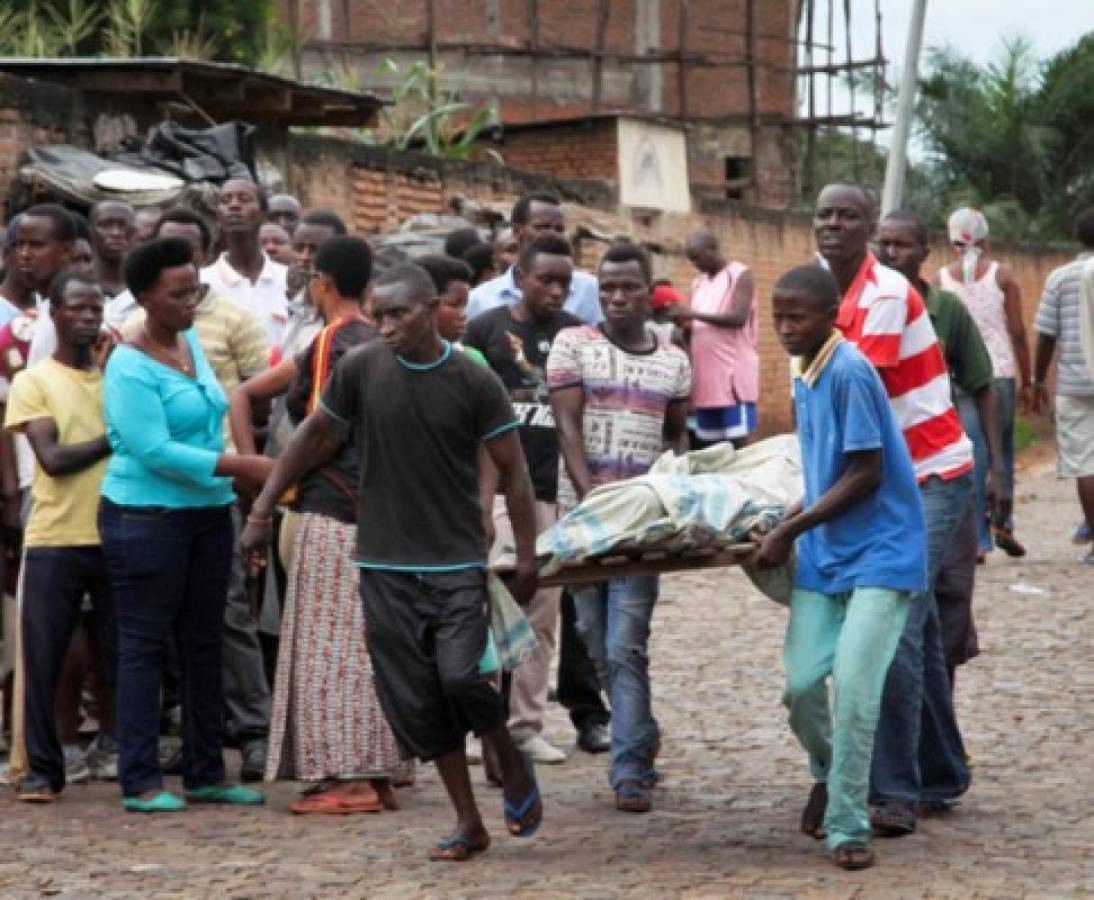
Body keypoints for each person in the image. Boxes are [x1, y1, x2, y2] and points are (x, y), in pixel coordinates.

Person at [242, 262, 543, 861]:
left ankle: (507, 752)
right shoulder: (361, 369)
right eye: (377, 314)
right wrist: (263, 507)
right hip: (381, 563)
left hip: (455, 559)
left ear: (431, 309)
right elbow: (314, 437)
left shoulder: (472, 378)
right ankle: (468, 823)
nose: (384, 326)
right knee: (417, 700)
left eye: (398, 314)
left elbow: (514, 471)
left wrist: (528, 553)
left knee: (461, 676)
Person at [814, 183, 974, 838]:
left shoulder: (879, 295)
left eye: (849, 216)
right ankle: (940, 773)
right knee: (923, 631)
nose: (834, 225)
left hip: (930, 474)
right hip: (889, 475)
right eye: (824, 214)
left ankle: (894, 790)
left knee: (892, 628)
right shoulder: (823, 293)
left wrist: (807, 505)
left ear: (870, 231)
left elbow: (860, 406)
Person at [757, 264, 926, 871]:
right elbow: (820, 467)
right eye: (778, 315)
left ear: (832, 315)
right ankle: (830, 773)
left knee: (855, 692)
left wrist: (789, 531)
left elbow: (865, 472)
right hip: (826, 555)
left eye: (796, 316)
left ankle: (848, 825)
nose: (785, 327)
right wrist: (786, 515)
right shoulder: (804, 371)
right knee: (801, 687)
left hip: (882, 552)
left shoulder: (850, 371)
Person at [230, 236, 401, 813]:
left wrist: (264, 498)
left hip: (335, 509)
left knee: (331, 651)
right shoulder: (382, 340)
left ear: (323, 284)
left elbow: (321, 432)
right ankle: (372, 773)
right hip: (378, 510)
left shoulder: (333, 341)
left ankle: (349, 779)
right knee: (365, 647)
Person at [99, 237, 271, 812]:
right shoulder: (128, 363)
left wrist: (232, 479)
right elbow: (153, 449)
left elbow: (214, 414)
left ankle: (205, 772)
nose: (190, 301)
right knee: (145, 645)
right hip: (145, 518)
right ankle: (140, 778)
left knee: (205, 643)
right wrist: (241, 466)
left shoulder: (191, 341)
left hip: (205, 513)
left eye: (195, 289)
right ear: (145, 297)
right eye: (177, 293)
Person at [548, 242, 691, 814]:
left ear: (649, 291)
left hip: (643, 525)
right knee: (594, 641)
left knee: (625, 642)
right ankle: (642, 733)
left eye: (628, 287)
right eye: (607, 288)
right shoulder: (572, 345)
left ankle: (629, 767)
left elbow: (677, 433)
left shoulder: (673, 358)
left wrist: (671, 489)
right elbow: (566, 425)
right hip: (583, 522)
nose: (616, 297)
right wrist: (592, 502)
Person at [465, 234, 583, 766]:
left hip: (548, 491)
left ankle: (526, 725)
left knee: (541, 610)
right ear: (522, 277)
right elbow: (473, 418)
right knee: (487, 603)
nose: (556, 290)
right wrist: (480, 496)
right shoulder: (487, 330)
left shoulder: (578, 336)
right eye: (546, 280)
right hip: (496, 491)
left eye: (565, 281)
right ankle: (478, 725)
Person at [4, 270, 116, 803]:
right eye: (76, 308)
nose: (87, 317)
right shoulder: (34, 381)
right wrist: (118, 436)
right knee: (47, 657)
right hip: (55, 535)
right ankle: (43, 772)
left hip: (116, 533)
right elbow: (52, 459)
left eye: (95, 308)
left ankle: (127, 757)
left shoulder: (116, 380)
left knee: (118, 655)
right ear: (55, 313)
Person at [877, 209, 1001, 688]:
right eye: (883, 243)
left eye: (901, 245)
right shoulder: (861, 309)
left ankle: (942, 726)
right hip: (885, 473)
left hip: (941, 471)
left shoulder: (946, 311)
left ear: (925, 253)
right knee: (902, 598)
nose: (890, 253)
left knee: (947, 593)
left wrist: (996, 471)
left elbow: (982, 385)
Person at [936, 208, 1032, 557]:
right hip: (1000, 373)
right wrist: (1030, 379)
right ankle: (1003, 522)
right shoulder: (1002, 276)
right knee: (1001, 450)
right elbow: (1018, 332)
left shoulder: (940, 280)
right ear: (986, 239)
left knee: (971, 452)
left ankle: (977, 537)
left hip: (959, 375)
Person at [1032, 207, 1094, 565]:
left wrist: (1038, 380)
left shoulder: (1060, 278)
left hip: (1074, 382)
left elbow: (1046, 336)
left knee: (1085, 463)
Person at [468, 193, 602, 324]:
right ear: (517, 232)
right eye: (542, 227)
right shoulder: (480, 299)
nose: (552, 234)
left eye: (559, 229)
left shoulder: (589, 289)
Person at [680, 231, 759, 447]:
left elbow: (738, 317)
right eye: (691, 259)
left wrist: (693, 315)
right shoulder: (698, 283)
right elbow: (697, 324)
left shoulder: (740, 274)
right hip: (706, 381)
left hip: (732, 380)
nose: (695, 263)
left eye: (698, 257)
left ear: (713, 250)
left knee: (739, 447)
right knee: (711, 449)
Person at [201, 179, 289, 346]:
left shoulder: (286, 279)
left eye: (244, 199)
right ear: (218, 216)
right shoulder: (202, 282)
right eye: (225, 200)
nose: (234, 205)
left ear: (263, 214)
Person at [89, 201, 136, 299]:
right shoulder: (77, 281)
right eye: (106, 225)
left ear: (133, 232)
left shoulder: (146, 285)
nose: (116, 233)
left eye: (123, 225)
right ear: (91, 231)